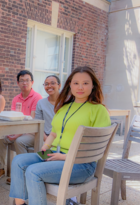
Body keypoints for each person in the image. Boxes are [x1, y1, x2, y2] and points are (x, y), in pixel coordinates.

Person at [9, 66, 111, 205]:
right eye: (76, 83)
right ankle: (19, 204)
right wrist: (44, 149)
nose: (80, 87)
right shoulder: (64, 107)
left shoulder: (98, 110)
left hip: (80, 164)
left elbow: (99, 147)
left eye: (85, 83)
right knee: (18, 161)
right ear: (70, 85)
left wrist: (64, 157)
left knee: (33, 171)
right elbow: (54, 133)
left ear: (93, 85)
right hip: (55, 154)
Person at [0, 70, 42, 182]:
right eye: (22, 81)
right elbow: (13, 118)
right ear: (18, 83)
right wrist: (11, 132)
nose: (24, 83)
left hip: (33, 133)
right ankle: (0, 168)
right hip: (18, 130)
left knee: (19, 141)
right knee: (1, 137)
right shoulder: (16, 99)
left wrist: (16, 135)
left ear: (32, 82)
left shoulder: (37, 97)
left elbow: (31, 122)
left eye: (27, 80)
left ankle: (23, 173)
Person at [35, 75, 61, 141]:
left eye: (52, 83)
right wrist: (46, 140)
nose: (49, 86)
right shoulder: (41, 103)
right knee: (20, 141)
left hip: (62, 137)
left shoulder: (67, 102)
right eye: (46, 84)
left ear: (59, 86)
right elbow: (38, 124)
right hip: (46, 136)